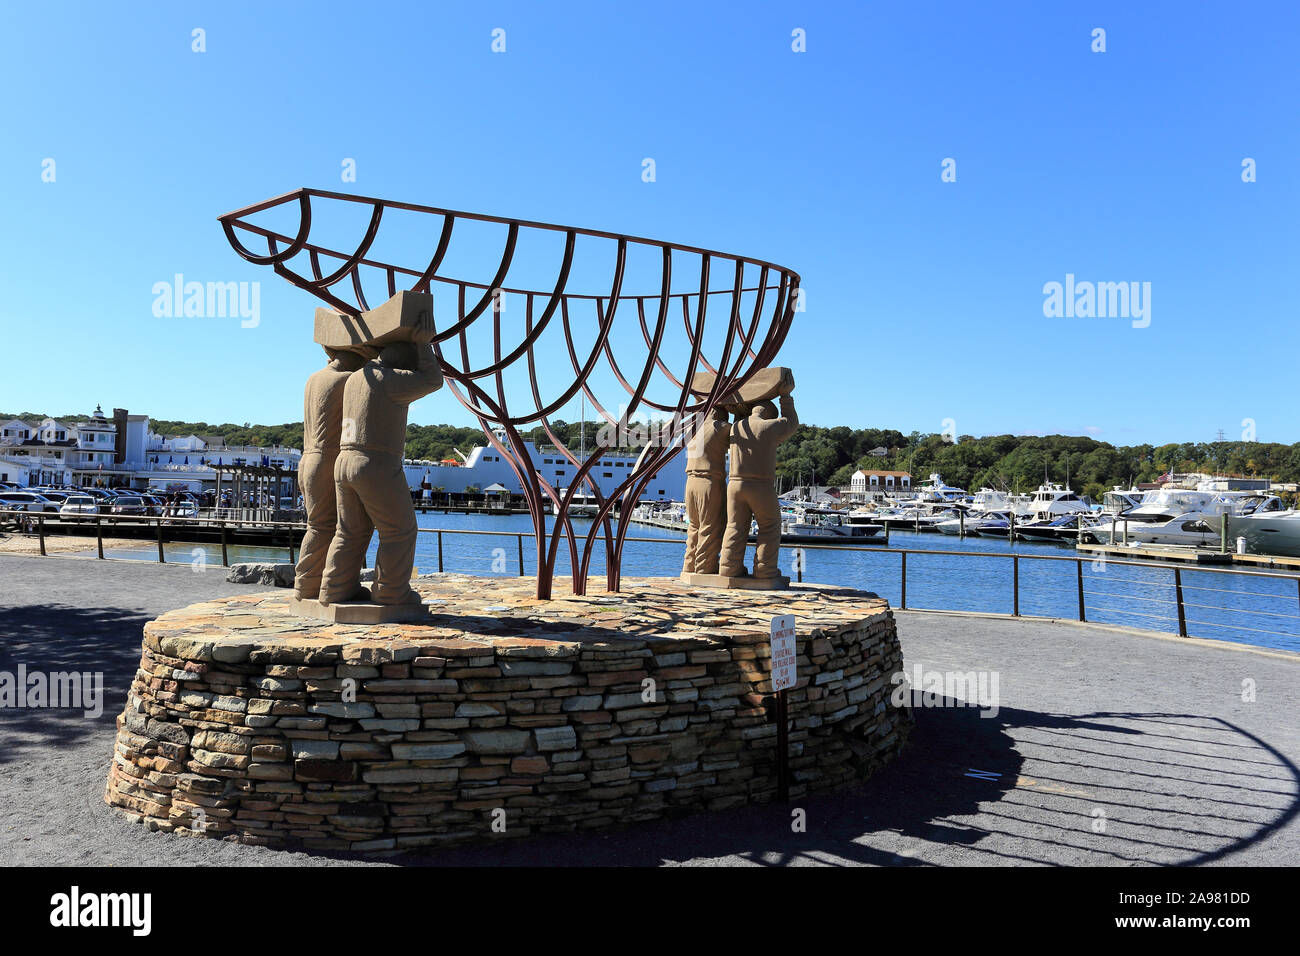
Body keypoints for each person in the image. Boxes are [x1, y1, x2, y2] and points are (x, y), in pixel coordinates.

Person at [320, 317, 443, 606]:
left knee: (349, 531)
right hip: (375, 463)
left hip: (344, 461)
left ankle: (334, 590)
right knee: (399, 530)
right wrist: (424, 344)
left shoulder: (355, 378)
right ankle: (390, 592)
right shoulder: (389, 378)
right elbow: (432, 380)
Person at [292, 343, 376, 600]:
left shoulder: (314, 378)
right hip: (328, 458)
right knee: (347, 525)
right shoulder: (349, 380)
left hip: (307, 458)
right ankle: (334, 585)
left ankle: (307, 585)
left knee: (317, 525)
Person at [717, 393, 798, 581]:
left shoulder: (735, 428)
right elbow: (791, 422)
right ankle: (765, 570)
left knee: (735, 526)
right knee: (769, 527)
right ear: (769, 413)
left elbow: (739, 419)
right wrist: (786, 397)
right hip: (760, 485)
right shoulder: (769, 426)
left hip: (735, 485)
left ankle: (728, 567)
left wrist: (739, 407)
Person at [681, 406, 731, 575]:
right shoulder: (722, 427)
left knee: (694, 527)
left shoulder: (693, 428)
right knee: (711, 526)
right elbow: (746, 433)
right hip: (708, 481)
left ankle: (689, 565)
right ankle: (705, 568)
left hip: (690, 482)